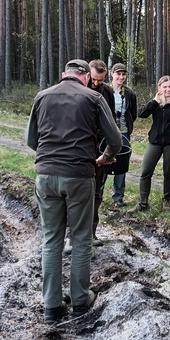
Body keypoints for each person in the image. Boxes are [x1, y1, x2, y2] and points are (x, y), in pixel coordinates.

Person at [25, 59, 122, 323]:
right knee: (80, 239)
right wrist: (105, 157)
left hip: (45, 176)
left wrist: (51, 158)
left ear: (63, 75)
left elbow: (31, 140)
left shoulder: (42, 97)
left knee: (51, 239)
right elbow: (115, 139)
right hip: (79, 175)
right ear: (85, 78)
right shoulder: (93, 98)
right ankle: (80, 299)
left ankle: (52, 305)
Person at [132, 76, 170, 212]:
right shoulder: (156, 104)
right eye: (165, 87)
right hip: (155, 142)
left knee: (168, 172)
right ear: (159, 88)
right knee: (146, 171)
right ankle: (143, 203)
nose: (168, 89)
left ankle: (167, 200)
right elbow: (141, 114)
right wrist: (154, 102)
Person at [88, 60, 116, 245]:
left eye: (101, 79)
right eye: (94, 79)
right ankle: (71, 234)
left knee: (97, 191)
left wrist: (108, 151)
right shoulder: (79, 87)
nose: (97, 83)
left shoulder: (108, 92)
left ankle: (92, 233)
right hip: (81, 144)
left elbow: (111, 121)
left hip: (100, 145)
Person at [109, 63, 137, 207]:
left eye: (123, 74)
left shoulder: (130, 93)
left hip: (124, 132)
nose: (121, 77)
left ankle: (118, 197)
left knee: (121, 163)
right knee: (102, 162)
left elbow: (133, 113)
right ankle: (97, 193)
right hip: (106, 133)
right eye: (118, 74)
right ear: (112, 74)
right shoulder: (104, 90)